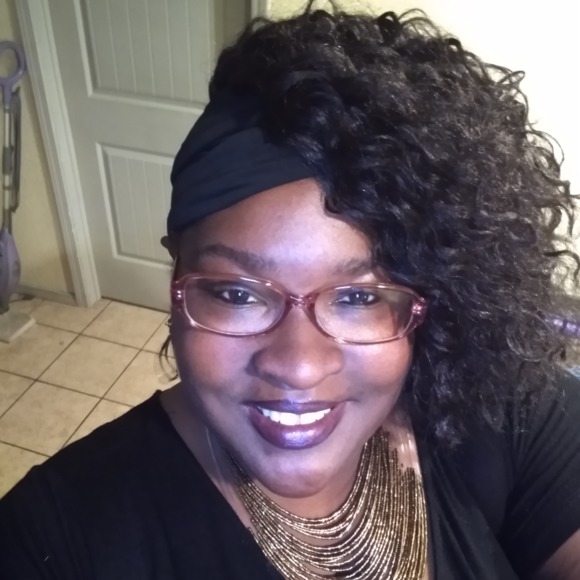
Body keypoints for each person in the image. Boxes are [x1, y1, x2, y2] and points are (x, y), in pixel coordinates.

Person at [1, 2, 579, 578]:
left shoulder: (509, 409)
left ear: (433, 296)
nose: (299, 367)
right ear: (176, 274)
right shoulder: (56, 537)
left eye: (359, 297)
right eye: (237, 293)